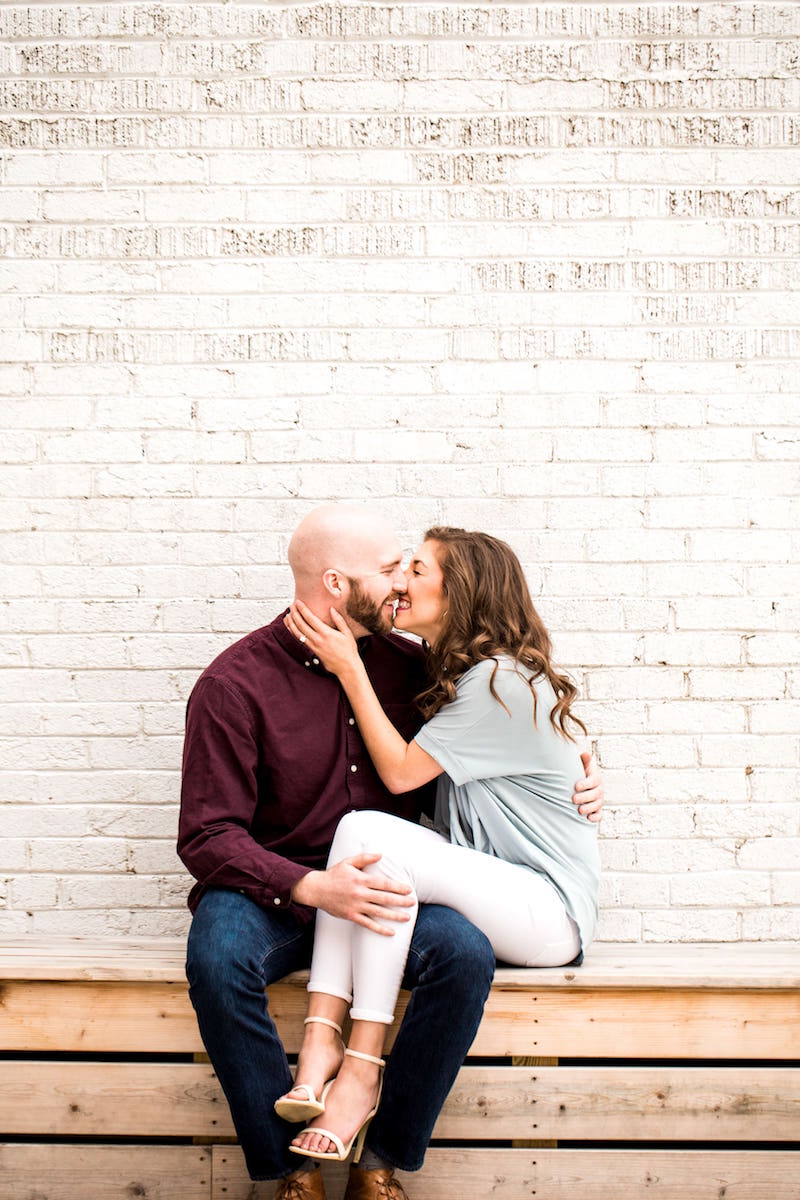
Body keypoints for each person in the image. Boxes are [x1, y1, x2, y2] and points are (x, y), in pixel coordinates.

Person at [178, 505, 604, 1200]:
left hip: (390, 891)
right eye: (388, 569)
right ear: (336, 584)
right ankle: (292, 1173)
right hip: (280, 888)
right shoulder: (235, 684)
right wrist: (311, 887)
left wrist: (580, 761)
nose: (401, 582)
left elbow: (511, 724)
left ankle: (379, 1161)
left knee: (463, 955)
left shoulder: (419, 669)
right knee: (217, 958)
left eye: (410, 568)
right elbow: (207, 835)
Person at [278, 526, 601, 1167]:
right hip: (504, 892)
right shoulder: (475, 677)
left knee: (369, 834)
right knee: (364, 843)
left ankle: (355, 1068)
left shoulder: (499, 682)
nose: (401, 581)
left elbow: (401, 774)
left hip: (548, 912)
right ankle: (324, 1050)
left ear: (462, 593)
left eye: (418, 570)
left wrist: (350, 670)